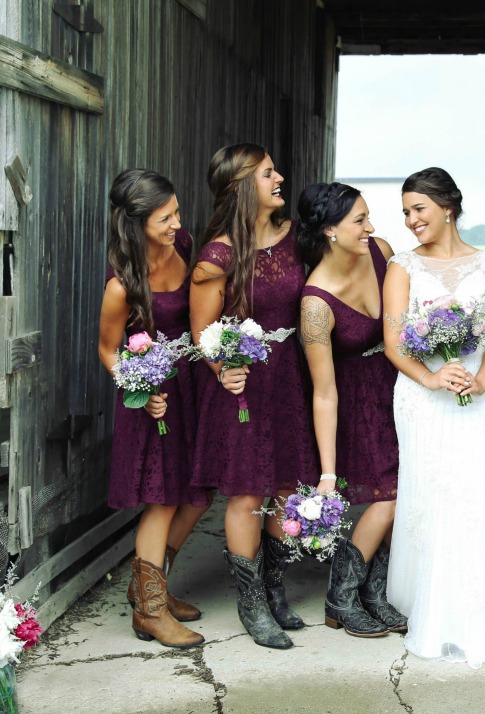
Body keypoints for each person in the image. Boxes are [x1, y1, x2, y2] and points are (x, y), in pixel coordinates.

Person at [383, 167, 485, 668]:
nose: (410, 220)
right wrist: (430, 378)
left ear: (447, 207)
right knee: (432, 492)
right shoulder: (401, 266)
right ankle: (430, 608)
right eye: (405, 212)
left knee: (480, 493)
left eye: (418, 209)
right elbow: (392, 341)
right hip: (423, 395)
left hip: (481, 393)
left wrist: (484, 379)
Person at [189, 144, 318, 649]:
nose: (280, 177)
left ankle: (275, 586)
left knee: (288, 486)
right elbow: (202, 330)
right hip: (244, 384)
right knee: (247, 492)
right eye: (268, 173)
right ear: (244, 187)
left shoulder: (296, 240)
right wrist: (224, 369)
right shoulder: (218, 255)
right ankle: (251, 603)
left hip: (291, 377)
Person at [98, 169, 209, 648]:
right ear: (136, 223)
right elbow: (108, 350)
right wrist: (140, 390)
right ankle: (151, 610)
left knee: (198, 491)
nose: (176, 224)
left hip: (190, 384)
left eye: (177, 212)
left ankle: (151, 586)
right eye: (165, 217)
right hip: (152, 398)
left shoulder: (182, 245)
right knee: (162, 498)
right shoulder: (122, 285)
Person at [295, 182, 406, 638]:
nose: (372, 227)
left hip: (402, 387)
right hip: (356, 406)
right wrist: (327, 471)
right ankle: (341, 596)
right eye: (359, 220)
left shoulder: (381, 251)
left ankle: (374, 594)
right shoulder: (315, 304)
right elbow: (323, 391)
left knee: (408, 495)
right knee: (390, 497)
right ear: (329, 231)